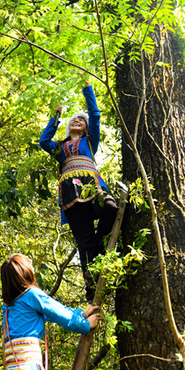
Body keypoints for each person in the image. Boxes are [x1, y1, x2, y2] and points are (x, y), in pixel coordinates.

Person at [39, 81, 119, 301]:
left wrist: (87, 90)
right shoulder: (60, 147)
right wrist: (55, 118)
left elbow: (95, 114)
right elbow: (43, 142)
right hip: (70, 193)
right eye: (74, 119)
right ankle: (91, 286)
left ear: (85, 128)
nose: (77, 120)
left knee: (110, 208)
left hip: (92, 186)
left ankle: (101, 249)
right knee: (85, 243)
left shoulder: (91, 141)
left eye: (81, 120)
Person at [0, 253, 100, 370]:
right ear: (25, 272)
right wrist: (86, 325)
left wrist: (81, 314)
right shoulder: (32, 295)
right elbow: (62, 315)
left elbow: (54, 312)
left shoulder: (8, 305)